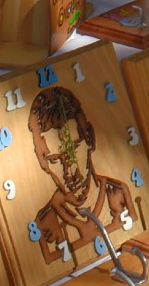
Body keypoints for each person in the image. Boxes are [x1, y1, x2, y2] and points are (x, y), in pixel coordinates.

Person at [29, 85, 138, 265]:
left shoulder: (119, 193)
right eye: (55, 160)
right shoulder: (45, 224)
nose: (69, 172)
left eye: (74, 149)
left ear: (90, 138)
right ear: (43, 164)